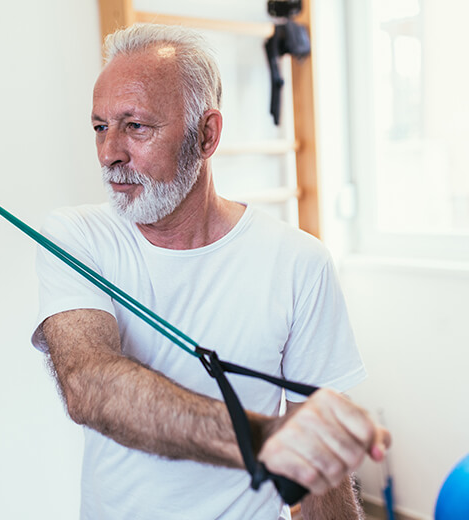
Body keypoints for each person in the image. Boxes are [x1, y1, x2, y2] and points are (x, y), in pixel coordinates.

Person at [30, 23, 390, 520]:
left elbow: (318, 460)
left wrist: (301, 447)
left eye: (136, 126)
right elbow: (89, 385)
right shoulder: (76, 237)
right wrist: (261, 439)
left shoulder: (299, 263)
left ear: (207, 134)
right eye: (99, 126)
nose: (109, 152)